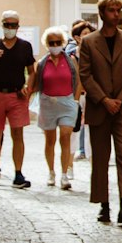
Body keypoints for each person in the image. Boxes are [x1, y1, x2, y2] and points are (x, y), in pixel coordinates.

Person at [77, 0, 122, 223]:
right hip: (99, 107)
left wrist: (121, 99)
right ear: (102, 13)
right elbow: (85, 74)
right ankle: (103, 203)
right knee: (101, 158)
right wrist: (104, 99)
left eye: (118, 10)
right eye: (112, 10)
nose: (116, 14)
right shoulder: (89, 42)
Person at [0, 9, 36, 188]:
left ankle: (18, 173)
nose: (10, 28)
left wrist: (28, 88)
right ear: (2, 25)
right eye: (7, 25)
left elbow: (31, 71)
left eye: (13, 25)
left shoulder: (25, 46)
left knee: (18, 133)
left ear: (18, 27)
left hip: (16, 95)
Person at [35, 27, 80, 188]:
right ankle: (51, 172)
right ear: (47, 44)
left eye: (58, 42)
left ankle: (64, 174)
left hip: (67, 102)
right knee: (50, 140)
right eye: (51, 42)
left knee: (66, 136)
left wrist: (75, 101)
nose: (55, 45)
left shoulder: (70, 60)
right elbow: (35, 84)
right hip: (48, 103)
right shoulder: (42, 63)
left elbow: (78, 81)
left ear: (63, 43)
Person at [68, 19, 90, 160]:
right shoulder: (71, 55)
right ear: (77, 37)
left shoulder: (96, 55)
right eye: (85, 34)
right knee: (73, 130)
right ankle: (69, 165)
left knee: (90, 130)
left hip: (91, 96)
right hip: (75, 95)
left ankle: (93, 163)